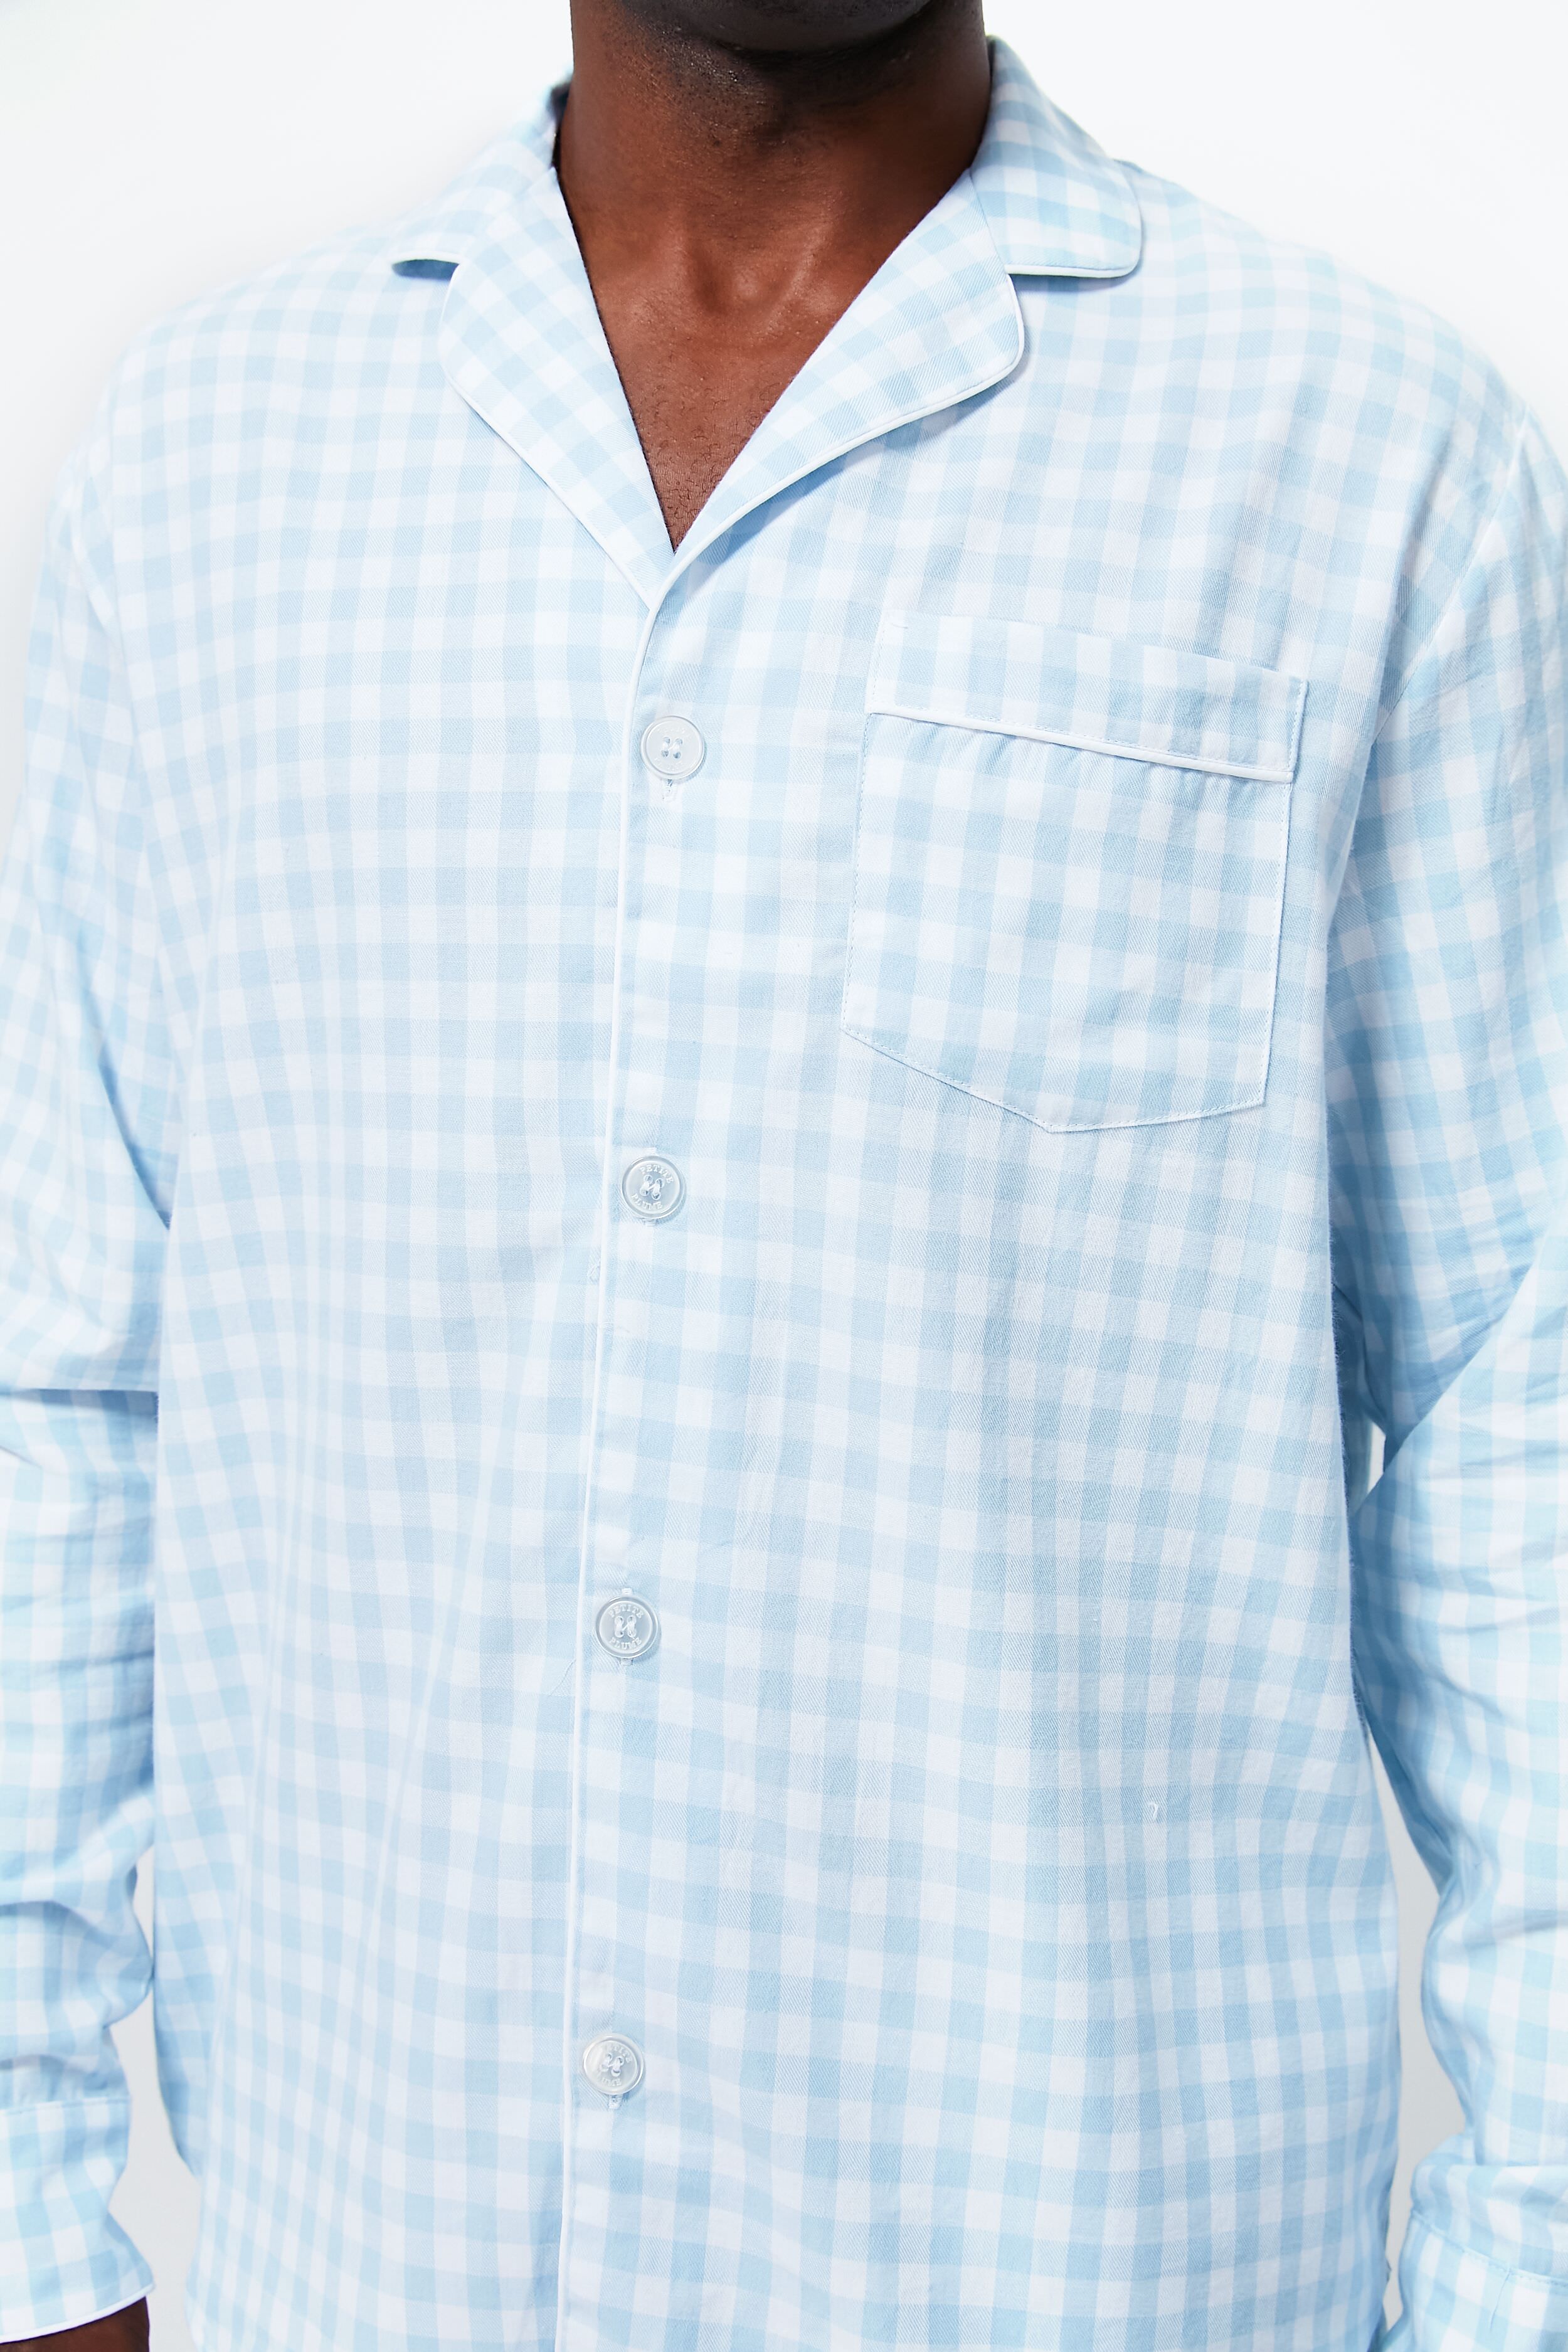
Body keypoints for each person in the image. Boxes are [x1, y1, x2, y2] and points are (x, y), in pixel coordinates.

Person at [2, 0, 1564, 2344]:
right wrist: (25, 2220)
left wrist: (1522, 2278)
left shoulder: (1370, 461)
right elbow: (66, 1388)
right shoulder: (207, 463)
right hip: (371, 2267)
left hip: (1089, 2286)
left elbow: (1519, 1424)